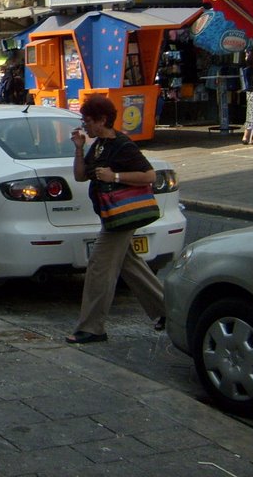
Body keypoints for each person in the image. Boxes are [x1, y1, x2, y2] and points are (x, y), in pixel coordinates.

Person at [67, 94, 165, 344]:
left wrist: (116, 177)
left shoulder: (123, 145)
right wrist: (79, 149)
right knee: (129, 264)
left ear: (102, 120)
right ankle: (168, 312)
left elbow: (150, 176)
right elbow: (80, 176)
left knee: (99, 267)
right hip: (109, 215)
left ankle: (91, 327)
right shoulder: (98, 145)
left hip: (121, 217)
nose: (84, 125)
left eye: (88, 120)